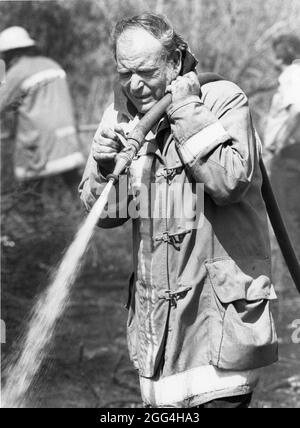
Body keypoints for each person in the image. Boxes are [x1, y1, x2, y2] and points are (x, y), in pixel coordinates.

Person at [80, 13, 278, 408]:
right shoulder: (120, 117)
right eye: (124, 73)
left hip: (217, 329)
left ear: (174, 62)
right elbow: (107, 214)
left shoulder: (222, 99)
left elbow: (228, 183)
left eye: (146, 71)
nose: (134, 85)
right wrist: (106, 168)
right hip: (158, 336)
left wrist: (186, 110)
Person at [0, 26, 85, 197]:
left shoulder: (17, 73)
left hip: (38, 143)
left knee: (29, 195)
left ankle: (39, 222)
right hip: (67, 136)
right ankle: (89, 219)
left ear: (10, 53)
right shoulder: (51, 64)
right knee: (76, 188)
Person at [264, 34, 300, 287]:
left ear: (280, 55)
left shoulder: (292, 75)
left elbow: (297, 109)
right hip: (293, 152)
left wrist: (280, 141)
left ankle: (291, 281)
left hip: (289, 155)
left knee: (286, 219)